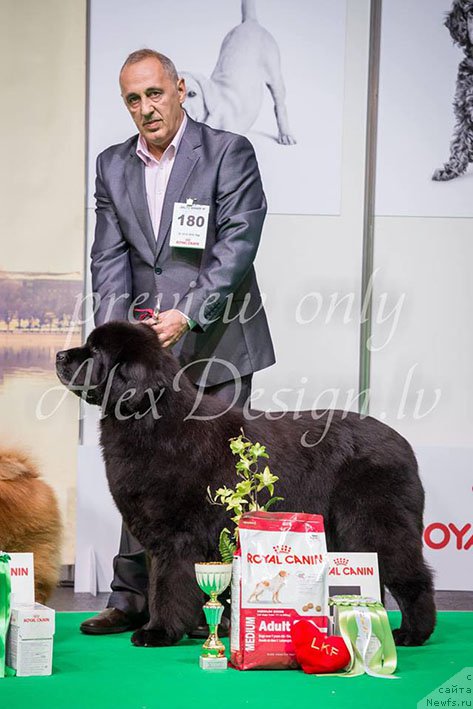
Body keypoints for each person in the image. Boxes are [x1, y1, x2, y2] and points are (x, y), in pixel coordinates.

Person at [80, 49, 275, 635]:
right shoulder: (112, 165)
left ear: (181, 89)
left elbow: (239, 242)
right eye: (133, 100)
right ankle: (132, 597)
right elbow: (108, 260)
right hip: (146, 361)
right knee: (139, 469)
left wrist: (187, 315)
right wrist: (125, 344)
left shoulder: (228, 153)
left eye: (155, 93)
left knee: (233, 475)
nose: (146, 108)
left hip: (221, 341)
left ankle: (239, 604)